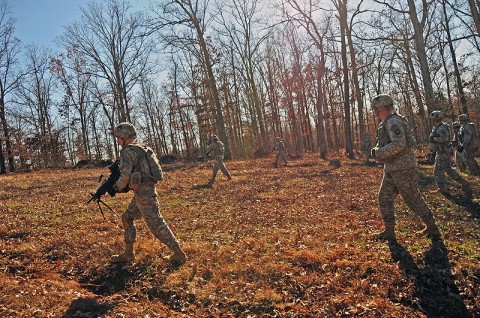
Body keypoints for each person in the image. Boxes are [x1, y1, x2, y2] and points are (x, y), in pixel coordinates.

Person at [112, 122, 187, 265]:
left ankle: (178, 253)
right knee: (127, 217)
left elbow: (126, 174)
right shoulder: (142, 148)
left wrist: (117, 187)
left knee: (155, 222)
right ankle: (128, 253)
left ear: (125, 137)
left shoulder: (127, 151)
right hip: (144, 190)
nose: (117, 140)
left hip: (144, 193)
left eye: (118, 138)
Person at [370, 94, 441, 240]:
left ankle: (432, 226)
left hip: (403, 168)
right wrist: (379, 151)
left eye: (376, 108)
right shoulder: (386, 123)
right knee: (384, 197)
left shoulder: (393, 122)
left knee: (412, 198)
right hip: (392, 167)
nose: (375, 111)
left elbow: (399, 144)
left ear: (381, 107)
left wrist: (378, 153)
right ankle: (389, 231)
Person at [428, 111, 472, 198]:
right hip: (439, 151)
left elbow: (445, 138)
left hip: (444, 152)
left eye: (433, 119)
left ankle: (443, 188)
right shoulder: (436, 127)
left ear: (436, 119)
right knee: (446, 170)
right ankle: (463, 183)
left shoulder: (442, 128)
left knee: (440, 170)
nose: (432, 120)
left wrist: (434, 139)